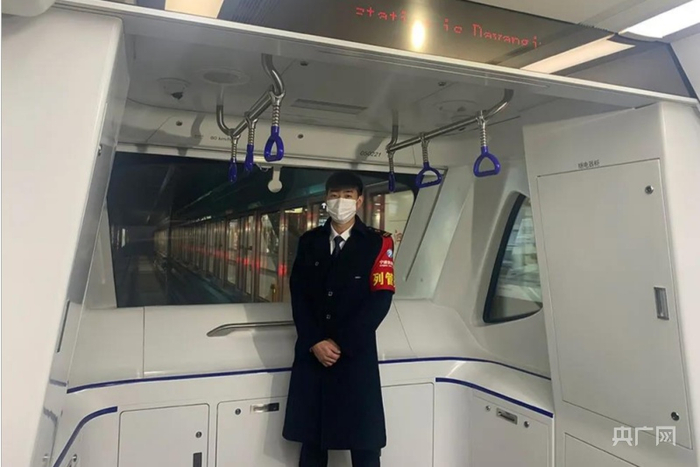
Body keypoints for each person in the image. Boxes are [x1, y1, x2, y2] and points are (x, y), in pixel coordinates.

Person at [283, 171, 396, 467]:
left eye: (347, 196)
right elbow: (298, 294)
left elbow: (380, 300)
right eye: (334, 195)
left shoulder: (378, 243)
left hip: (354, 356)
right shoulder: (310, 242)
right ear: (326, 199)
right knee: (312, 442)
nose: (340, 201)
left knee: (364, 444)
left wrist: (339, 343)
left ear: (358, 201)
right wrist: (314, 340)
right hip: (314, 354)